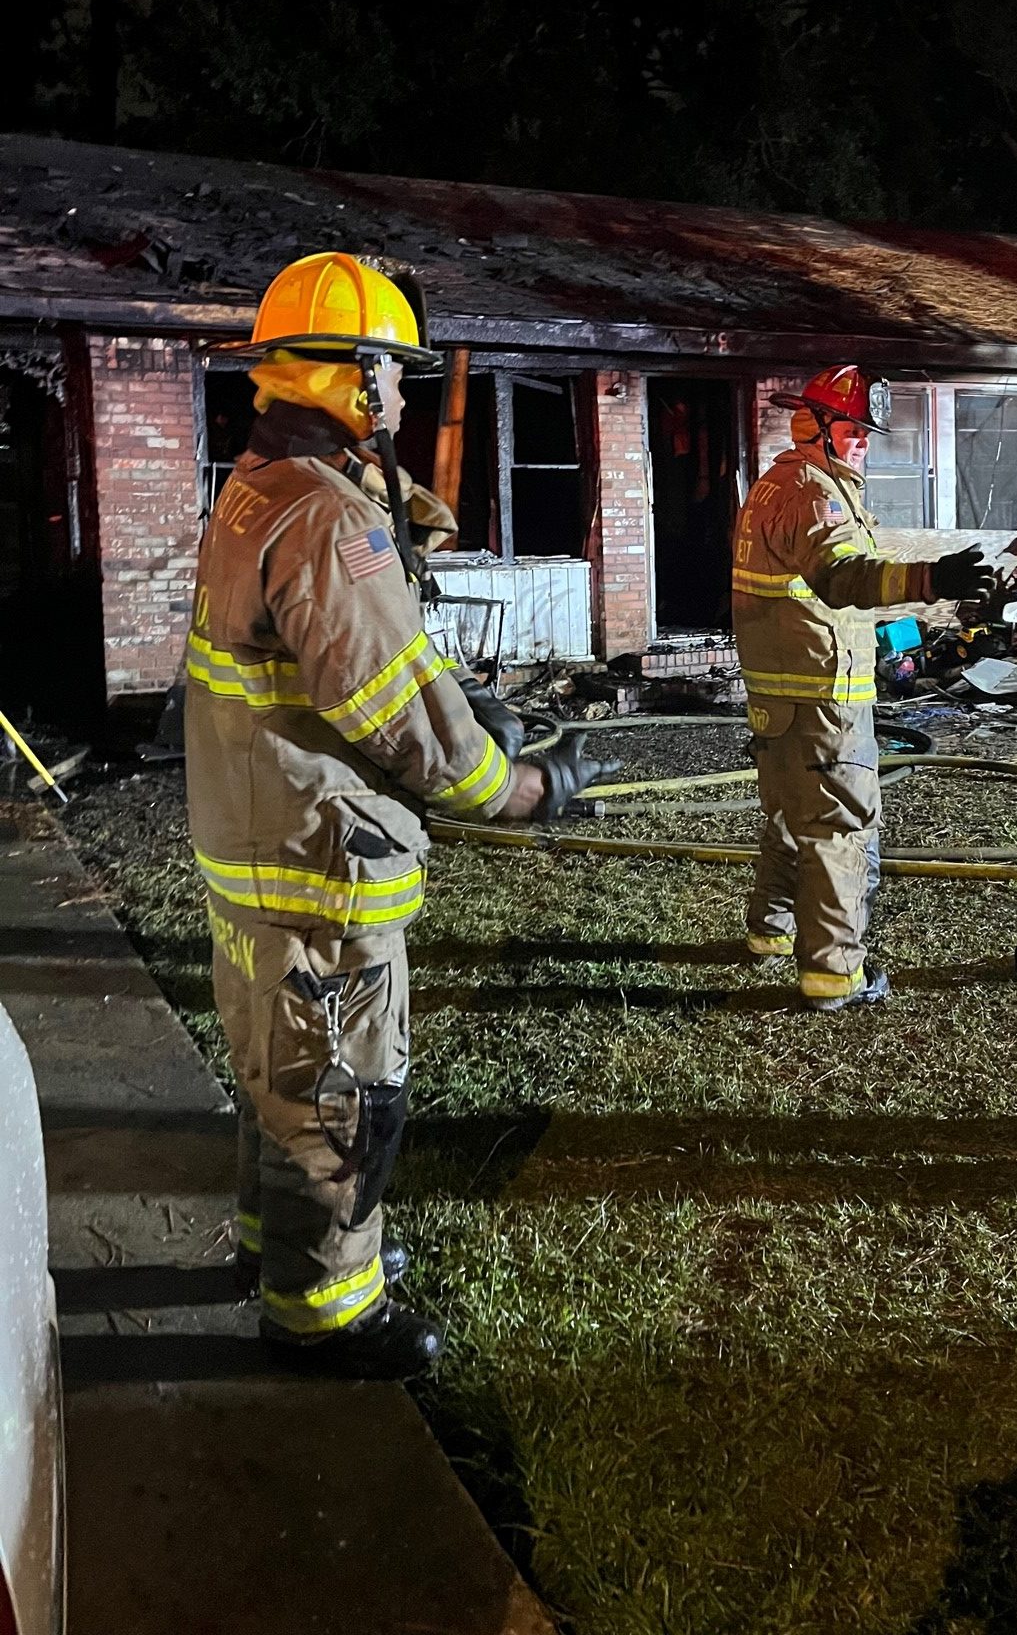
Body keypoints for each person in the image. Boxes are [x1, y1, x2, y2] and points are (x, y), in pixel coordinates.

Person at [185, 251, 604, 1378]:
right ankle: (326, 1316)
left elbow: (349, 660)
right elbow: (398, 716)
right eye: (393, 371)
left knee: (278, 1079)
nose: (405, 395)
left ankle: (277, 1254)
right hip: (320, 868)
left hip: (257, 851)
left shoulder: (257, 489)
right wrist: (521, 789)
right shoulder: (326, 520)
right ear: (349, 377)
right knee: (340, 1095)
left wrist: (452, 692)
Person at [732, 365, 996, 1010]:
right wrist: (932, 581)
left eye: (864, 431)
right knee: (839, 827)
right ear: (817, 425)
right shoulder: (812, 494)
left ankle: (773, 930)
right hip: (821, 691)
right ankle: (835, 975)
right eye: (851, 429)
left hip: (784, 689)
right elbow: (843, 579)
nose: (862, 442)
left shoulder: (780, 483)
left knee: (793, 817)